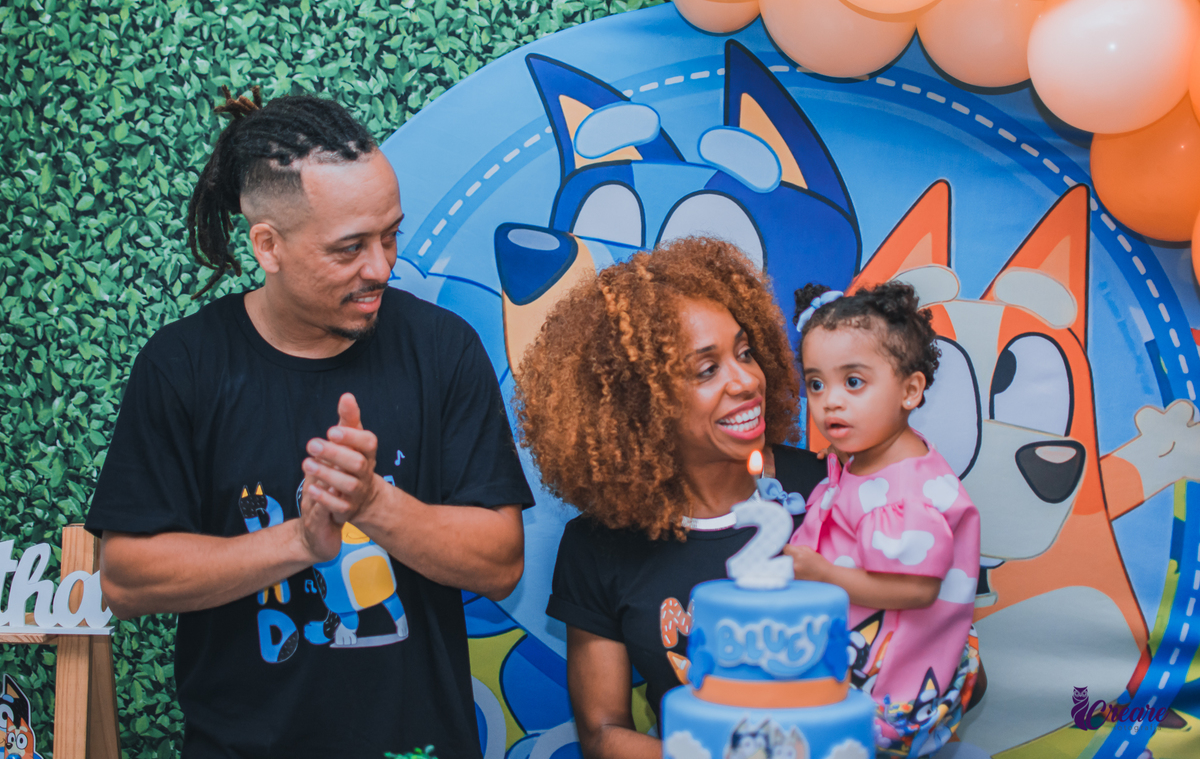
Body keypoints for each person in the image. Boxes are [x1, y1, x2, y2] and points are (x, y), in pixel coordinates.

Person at [85, 87, 534, 758]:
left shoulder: (442, 349)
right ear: (269, 246)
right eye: (349, 248)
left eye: (390, 235)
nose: (381, 267)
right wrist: (301, 540)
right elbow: (124, 578)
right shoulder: (184, 365)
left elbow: (500, 564)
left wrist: (374, 502)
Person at [516, 237, 826, 759]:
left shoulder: (828, 492)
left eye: (744, 352)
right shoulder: (597, 548)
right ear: (643, 405)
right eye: (707, 370)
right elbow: (601, 734)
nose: (746, 380)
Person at [784, 282, 982, 757]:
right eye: (816, 383)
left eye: (853, 382)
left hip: (890, 696)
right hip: (848, 670)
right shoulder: (860, 460)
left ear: (910, 390)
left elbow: (917, 590)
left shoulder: (909, 491)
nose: (830, 400)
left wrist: (825, 574)